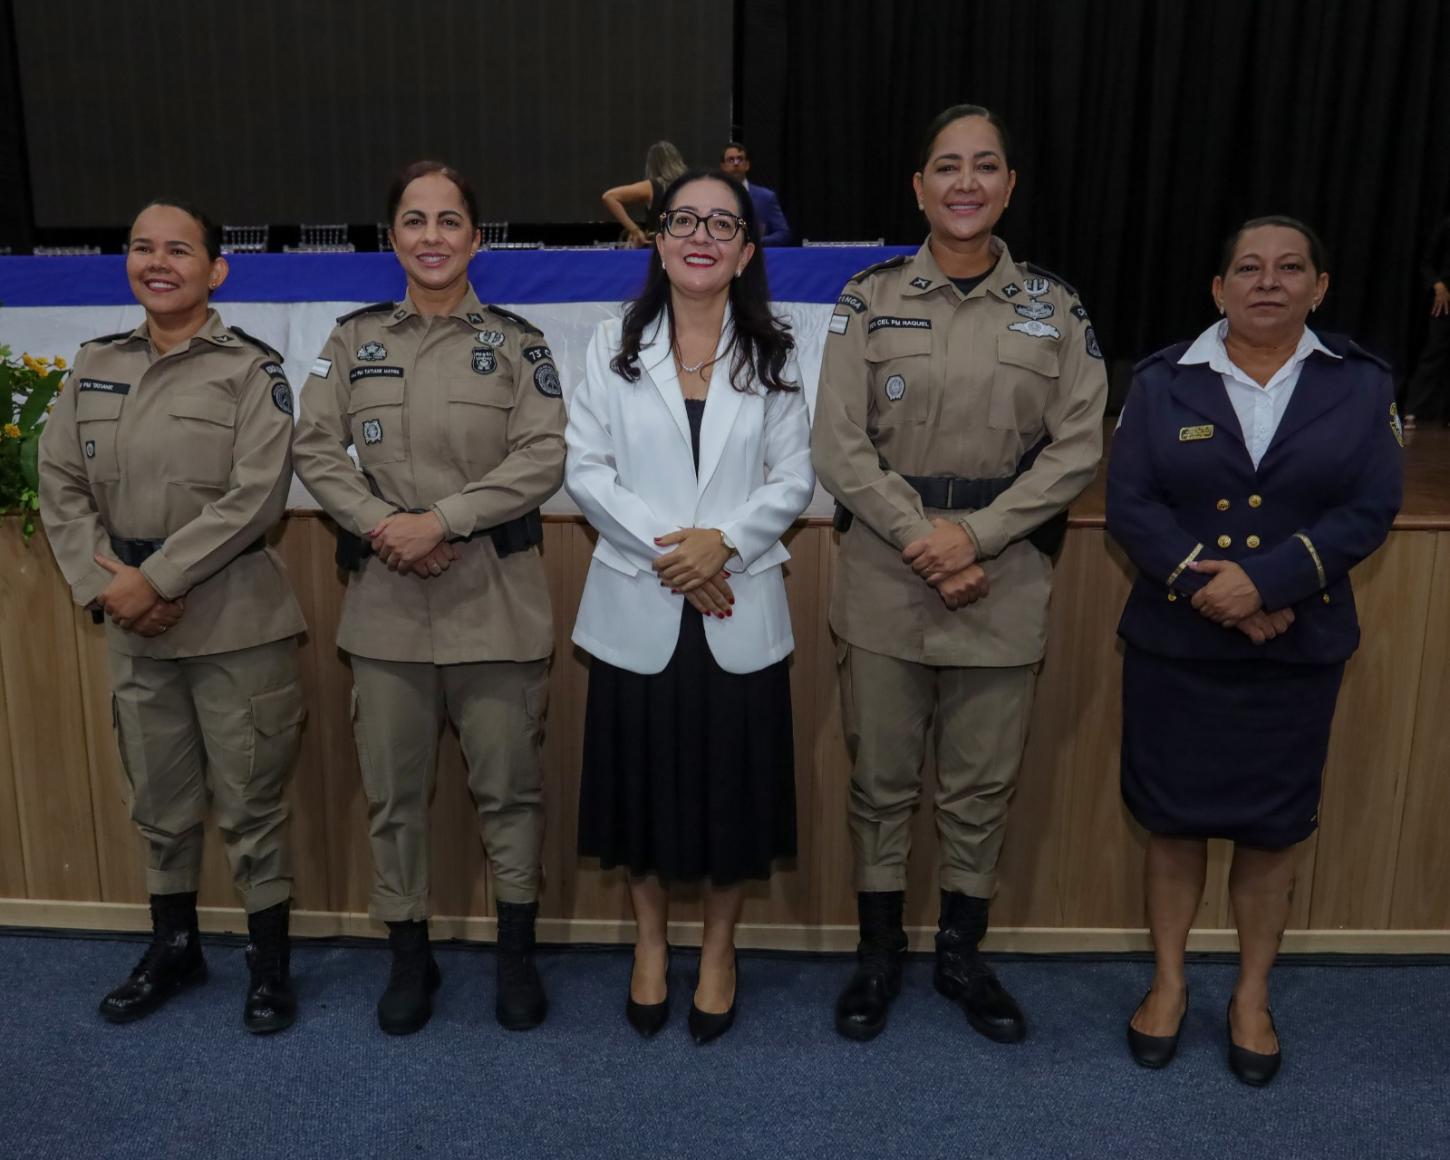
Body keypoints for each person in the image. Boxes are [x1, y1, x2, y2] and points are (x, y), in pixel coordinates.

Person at [812, 104, 1108, 1044]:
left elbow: (1077, 448)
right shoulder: (867, 296)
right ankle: (878, 955)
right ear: (919, 187)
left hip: (1005, 571)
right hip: (887, 573)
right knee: (881, 781)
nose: (966, 183)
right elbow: (838, 442)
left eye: (985, 166)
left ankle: (961, 957)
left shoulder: (1056, 308)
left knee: (980, 787)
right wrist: (922, 538)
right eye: (948, 166)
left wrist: (973, 538)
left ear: (1010, 185)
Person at [1107, 216, 1402, 1086]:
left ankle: (1250, 996)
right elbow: (1132, 504)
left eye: (1289, 268)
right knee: (1172, 824)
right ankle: (1167, 985)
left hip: (1297, 647)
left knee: (1272, 832)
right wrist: (1217, 590)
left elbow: (1368, 507)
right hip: (1178, 645)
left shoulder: (1359, 383)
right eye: (1247, 267)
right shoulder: (1163, 381)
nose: (1267, 282)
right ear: (1218, 288)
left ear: (1319, 285)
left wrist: (1264, 586)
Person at [292, 160, 566, 1035]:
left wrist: (440, 520)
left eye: (450, 221)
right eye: (415, 221)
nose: (433, 236)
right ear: (394, 237)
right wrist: (385, 527)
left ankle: (515, 958)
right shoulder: (351, 341)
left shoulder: (522, 343)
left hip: (496, 605)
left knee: (510, 795)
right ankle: (410, 959)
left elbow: (543, 456)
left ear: (476, 237)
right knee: (394, 798)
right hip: (387, 609)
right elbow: (316, 450)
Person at [37, 200, 307, 1033]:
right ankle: (176, 947)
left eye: (179, 250)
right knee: (157, 798)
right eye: (142, 248)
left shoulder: (251, 370)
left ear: (215, 270)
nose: (158, 262)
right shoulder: (93, 364)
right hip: (130, 618)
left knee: (252, 801)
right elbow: (60, 484)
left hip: (233, 617)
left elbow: (255, 497)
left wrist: (154, 579)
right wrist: (105, 585)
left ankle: (269, 968)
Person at [566, 169, 813, 1044]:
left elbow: (794, 478)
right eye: (683, 221)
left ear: (746, 247)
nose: (701, 235)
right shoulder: (611, 344)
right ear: (658, 239)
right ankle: (646, 946)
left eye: (722, 223)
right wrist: (682, 553)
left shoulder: (774, 349)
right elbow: (586, 470)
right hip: (644, 600)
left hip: (737, 606)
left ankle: (716, 951)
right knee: (641, 797)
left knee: (730, 800)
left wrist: (727, 547)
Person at [1402, 213, 1450, 427]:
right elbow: (1427, 263)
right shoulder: (1447, 225)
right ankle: (1414, 410)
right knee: (1434, 354)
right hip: (1446, 300)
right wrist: (1437, 284)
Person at [602, 141, 688, 248]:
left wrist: (635, 230)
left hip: (658, 249)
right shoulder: (690, 185)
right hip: (685, 246)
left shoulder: (652, 186)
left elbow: (609, 197)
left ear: (651, 165)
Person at [720, 142, 792, 246]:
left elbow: (783, 233)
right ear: (723, 166)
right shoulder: (714, 197)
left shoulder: (765, 197)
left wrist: (757, 241)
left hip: (756, 256)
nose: (736, 163)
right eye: (731, 160)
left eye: (740, 159)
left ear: (747, 165)